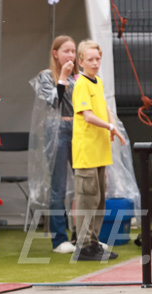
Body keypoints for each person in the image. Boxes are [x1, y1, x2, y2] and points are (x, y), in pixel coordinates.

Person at [71, 39, 123, 261]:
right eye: (90, 59)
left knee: (99, 199)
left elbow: (104, 108)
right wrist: (110, 126)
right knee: (87, 199)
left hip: (100, 151)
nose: (95, 63)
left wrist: (112, 126)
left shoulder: (97, 82)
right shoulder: (81, 84)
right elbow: (88, 115)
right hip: (86, 152)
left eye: (97, 59)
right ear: (81, 61)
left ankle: (93, 243)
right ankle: (83, 246)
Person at [29, 36, 78, 254]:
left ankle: (84, 235)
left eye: (74, 51)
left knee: (84, 184)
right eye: (66, 51)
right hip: (56, 130)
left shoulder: (79, 79)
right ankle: (60, 238)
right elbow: (54, 101)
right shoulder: (46, 76)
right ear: (55, 53)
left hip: (78, 130)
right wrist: (64, 78)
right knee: (58, 186)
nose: (71, 55)